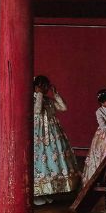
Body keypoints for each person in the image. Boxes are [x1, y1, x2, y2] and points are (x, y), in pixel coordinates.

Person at [34, 75, 80, 205]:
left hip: (52, 133)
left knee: (52, 159)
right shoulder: (33, 98)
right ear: (36, 87)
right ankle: (37, 194)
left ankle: (48, 191)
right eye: (42, 86)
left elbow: (63, 107)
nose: (44, 89)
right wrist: (39, 95)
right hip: (38, 134)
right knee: (39, 160)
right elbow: (37, 110)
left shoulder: (48, 100)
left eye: (46, 86)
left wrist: (56, 94)